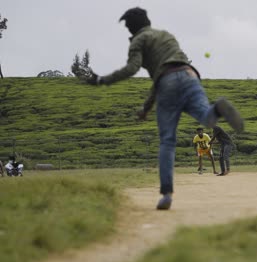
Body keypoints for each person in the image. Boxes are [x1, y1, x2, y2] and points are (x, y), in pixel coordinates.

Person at [86, 7, 244, 210]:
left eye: (127, 27)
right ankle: (219, 108)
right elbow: (168, 71)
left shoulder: (138, 41)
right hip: (190, 76)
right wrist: (147, 106)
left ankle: (167, 195)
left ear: (132, 27)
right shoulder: (167, 35)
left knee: (167, 141)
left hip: (166, 82)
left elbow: (135, 69)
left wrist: (102, 80)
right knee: (206, 118)